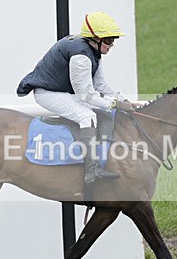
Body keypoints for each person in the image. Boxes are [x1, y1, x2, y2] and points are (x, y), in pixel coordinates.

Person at [17, 11, 137, 187]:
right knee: (86, 116)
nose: (112, 45)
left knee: (100, 111)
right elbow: (85, 95)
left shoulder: (93, 51)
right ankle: (91, 172)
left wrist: (124, 101)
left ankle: (100, 159)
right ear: (95, 39)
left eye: (113, 40)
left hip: (63, 91)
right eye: (109, 40)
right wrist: (114, 104)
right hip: (47, 93)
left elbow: (101, 86)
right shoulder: (80, 55)